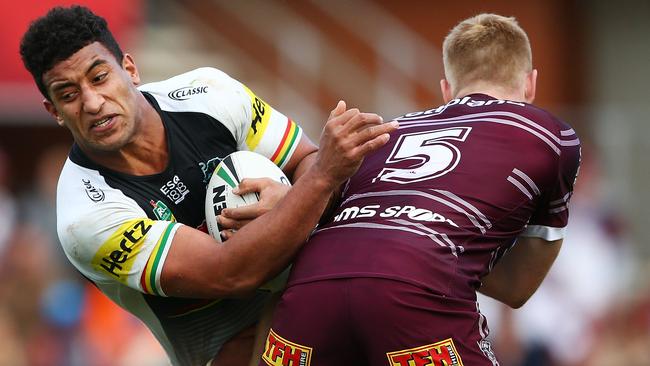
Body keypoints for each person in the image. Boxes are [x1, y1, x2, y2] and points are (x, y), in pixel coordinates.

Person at [19, 5, 397, 366]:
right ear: (54, 111)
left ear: (130, 69)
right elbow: (232, 273)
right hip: (235, 347)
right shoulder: (85, 216)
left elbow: (306, 159)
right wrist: (315, 185)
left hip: (313, 289)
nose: (93, 103)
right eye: (68, 95)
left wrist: (299, 191)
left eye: (100, 77)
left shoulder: (210, 93)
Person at [255, 13, 581, 365]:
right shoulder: (552, 134)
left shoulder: (385, 134)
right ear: (530, 84)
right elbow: (517, 287)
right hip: (417, 297)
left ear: (446, 90)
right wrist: (432, 243)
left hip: (310, 294)